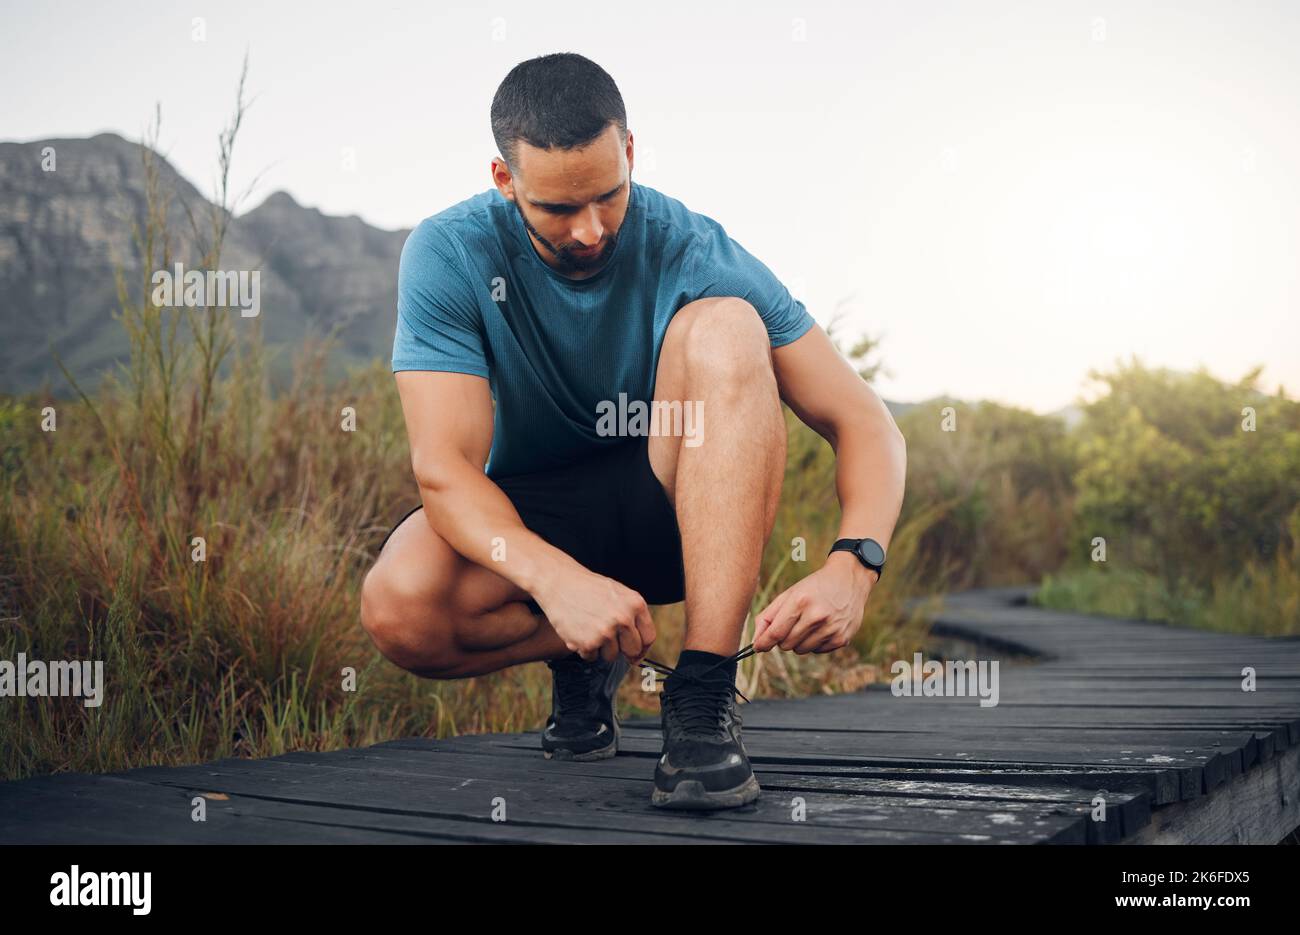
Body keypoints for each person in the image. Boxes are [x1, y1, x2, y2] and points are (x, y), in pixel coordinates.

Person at [361, 52, 907, 810]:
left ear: (629, 152)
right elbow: (445, 471)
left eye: (607, 197)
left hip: (676, 509)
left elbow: (865, 420)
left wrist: (856, 562)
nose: (589, 231)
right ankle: (586, 654)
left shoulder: (693, 246)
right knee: (399, 606)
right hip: (532, 517)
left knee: (727, 325)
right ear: (504, 179)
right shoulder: (449, 252)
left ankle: (704, 696)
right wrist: (559, 585)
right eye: (557, 209)